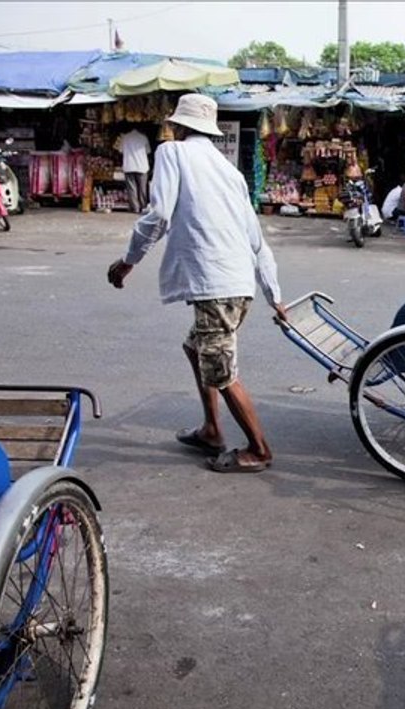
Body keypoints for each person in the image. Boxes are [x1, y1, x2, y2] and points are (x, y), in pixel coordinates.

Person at [106, 94, 287, 473]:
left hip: (216, 284)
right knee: (197, 348)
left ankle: (258, 449)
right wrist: (274, 296)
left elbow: (158, 215)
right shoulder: (230, 172)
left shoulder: (173, 154)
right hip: (237, 285)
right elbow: (257, 239)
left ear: (179, 125)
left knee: (220, 368)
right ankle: (211, 429)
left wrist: (128, 262)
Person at [115, 127, 152, 213]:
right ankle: (143, 207)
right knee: (143, 188)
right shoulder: (143, 137)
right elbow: (148, 151)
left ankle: (135, 208)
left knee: (132, 188)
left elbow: (120, 151)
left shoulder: (125, 137)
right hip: (142, 166)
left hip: (129, 165)